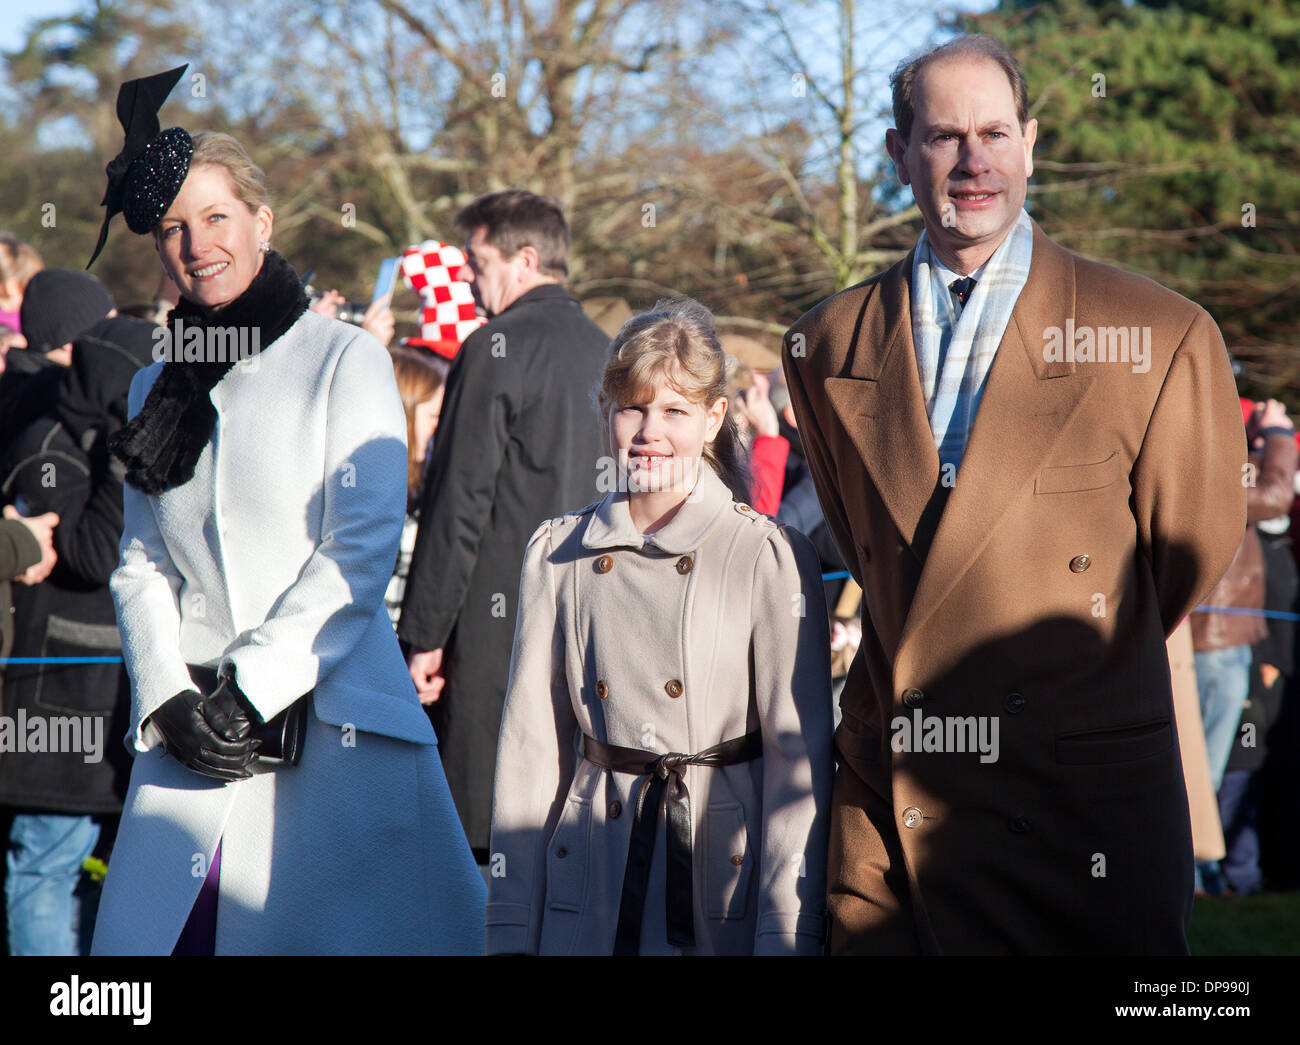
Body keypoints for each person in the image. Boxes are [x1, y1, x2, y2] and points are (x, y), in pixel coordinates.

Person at [782, 34, 1246, 955]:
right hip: (896, 803)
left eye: (995, 131)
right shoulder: (826, 344)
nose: (973, 160)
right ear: (897, 152)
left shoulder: (1157, 333)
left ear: (1030, 142)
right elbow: (874, 549)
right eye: (945, 135)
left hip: (1079, 803)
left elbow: (1183, 557)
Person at [83, 66, 484, 955]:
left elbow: (362, 544)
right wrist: (166, 696)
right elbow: (140, 562)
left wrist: (250, 689)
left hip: (333, 739)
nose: (197, 245)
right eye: (174, 229)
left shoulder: (345, 359)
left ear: (261, 222)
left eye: (216, 218)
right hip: (190, 746)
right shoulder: (156, 380)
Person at [487, 298, 833, 954]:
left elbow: (800, 762)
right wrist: (509, 927)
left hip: (714, 870)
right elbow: (531, 751)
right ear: (605, 413)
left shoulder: (767, 555)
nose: (650, 430)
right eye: (633, 407)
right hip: (588, 872)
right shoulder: (557, 552)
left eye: (674, 410)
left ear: (713, 419)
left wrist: (788, 931)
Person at [398, 189, 610, 864]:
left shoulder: (494, 346)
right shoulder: (612, 351)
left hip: (497, 633)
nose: (466, 274)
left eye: (476, 259)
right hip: (595, 624)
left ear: (525, 258)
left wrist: (424, 637)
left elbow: (457, 502)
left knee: (475, 851)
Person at [0, 273, 154, 955]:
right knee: (46, 863)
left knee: (85, 865)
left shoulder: (69, 419)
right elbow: (93, 553)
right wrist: (128, 446)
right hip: (56, 690)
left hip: (89, 687)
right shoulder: (47, 438)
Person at [384, 345, 448, 628]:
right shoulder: (374, 494)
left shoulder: (422, 486)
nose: (439, 427)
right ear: (405, 412)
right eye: (433, 416)